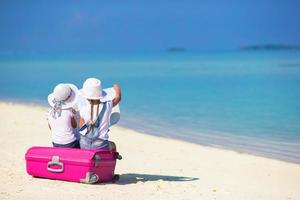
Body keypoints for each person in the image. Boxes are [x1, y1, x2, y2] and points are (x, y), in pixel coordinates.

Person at [79, 78, 121, 151]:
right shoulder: (107, 105)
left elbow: (81, 124)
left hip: (84, 143)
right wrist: (117, 88)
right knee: (113, 145)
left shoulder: (83, 107)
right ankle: (111, 161)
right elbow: (118, 98)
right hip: (100, 144)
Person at [47, 83, 80, 148]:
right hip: (70, 143)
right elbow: (74, 126)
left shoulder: (51, 113)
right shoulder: (69, 112)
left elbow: (50, 127)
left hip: (55, 143)